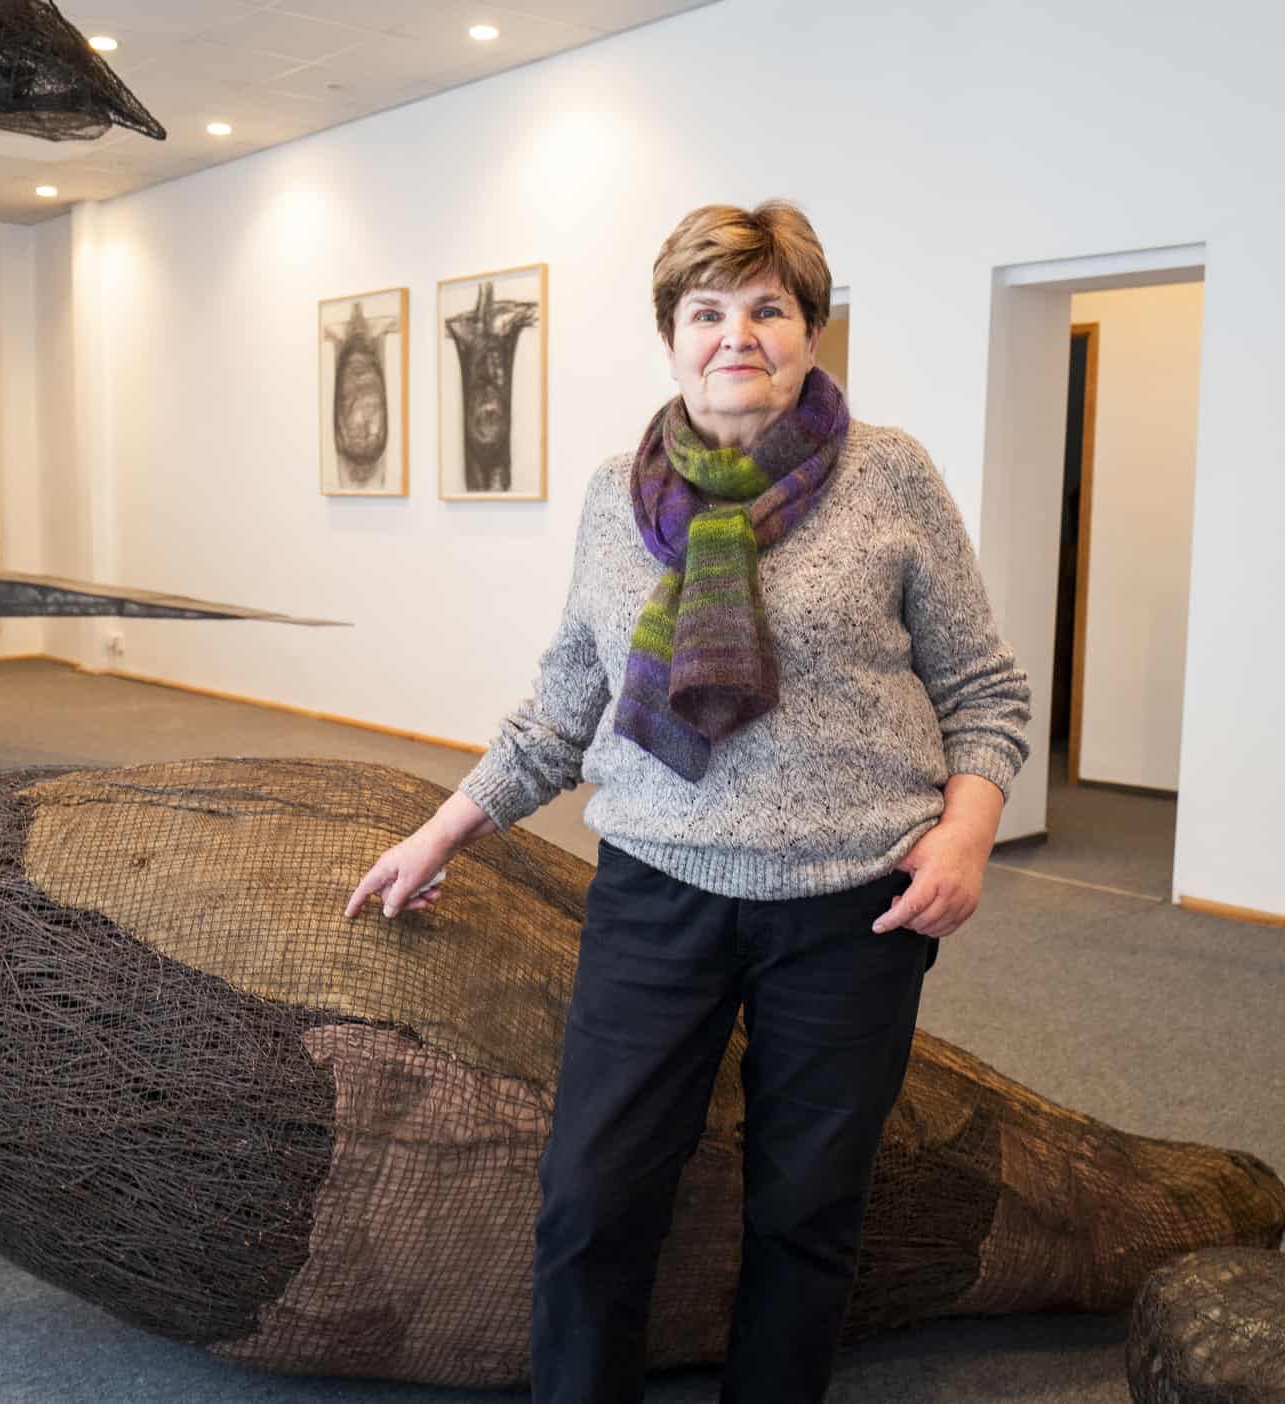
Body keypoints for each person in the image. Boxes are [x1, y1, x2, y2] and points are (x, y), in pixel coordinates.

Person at [346, 201, 1031, 1403]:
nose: (737, 334)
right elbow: (569, 705)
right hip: (656, 892)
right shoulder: (620, 494)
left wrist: (967, 831)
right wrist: (442, 827)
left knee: (806, 1211)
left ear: (810, 329)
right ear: (670, 335)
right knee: (592, 1200)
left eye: (769, 307)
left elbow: (981, 686)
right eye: (707, 310)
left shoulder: (890, 477)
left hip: (853, 904)